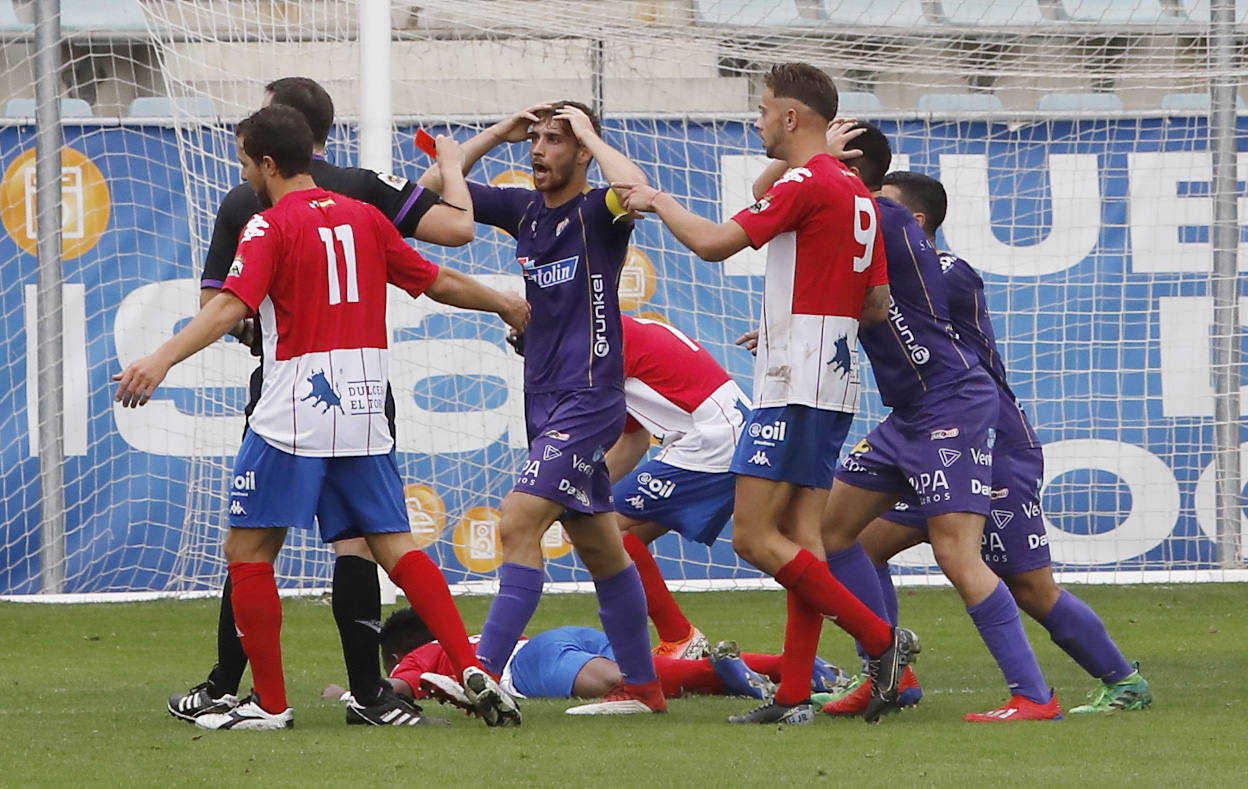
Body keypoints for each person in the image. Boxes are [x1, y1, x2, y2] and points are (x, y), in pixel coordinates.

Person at [117, 104, 530, 730]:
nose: (244, 174)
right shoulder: (364, 215)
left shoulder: (267, 226)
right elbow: (436, 279)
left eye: (246, 162)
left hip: (297, 402)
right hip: (365, 400)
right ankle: (471, 662)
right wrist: (503, 303)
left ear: (269, 163)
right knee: (392, 543)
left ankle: (271, 704)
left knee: (249, 548)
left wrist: (160, 358)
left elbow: (230, 306)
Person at [616, 63, 918, 726]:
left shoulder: (809, 183)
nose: (755, 120)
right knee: (801, 536)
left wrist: (656, 199)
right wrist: (804, 312)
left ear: (790, 117)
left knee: (755, 537)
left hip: (794, 380)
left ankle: (880, 641)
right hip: (833, 377)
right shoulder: (857, 194)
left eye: (762, 109)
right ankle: (792, 696)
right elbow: (875, 303)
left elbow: (711, 244)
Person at [821, 170, 1152, 717]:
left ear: (913, 222)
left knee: (1030, 587)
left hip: (988, 440)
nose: (866, 216)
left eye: (880, 207)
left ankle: (1112, 682)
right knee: (849, 537)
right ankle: (888, 674)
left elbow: (873, 303)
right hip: (919, 429)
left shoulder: (945, 271)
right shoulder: (886, 272)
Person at [797, 123, 1061, 722]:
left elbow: (868, 293)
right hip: (910, 413)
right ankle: (891, 670)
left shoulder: (884, 221)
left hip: (952, 402)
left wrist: (820, 164)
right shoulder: (865, 225)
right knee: (835, 535)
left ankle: (1035, 696)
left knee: (956, 555)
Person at [418, 101, 663, 715]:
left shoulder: (598, 214)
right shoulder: (523, 208)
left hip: (590, 398)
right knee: (603, 549)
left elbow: (635, 189)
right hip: (543, 401)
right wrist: (498, 132)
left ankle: (483, 672)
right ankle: (644, 689)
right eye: (537, 140)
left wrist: (586, 130)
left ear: (581, 151)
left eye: (555, 141)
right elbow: (426, 195)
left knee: (517, 522)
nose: (538, 151)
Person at [320, 608, 850, 706]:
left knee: (622, 682)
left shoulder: (419, 658)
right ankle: (793, 665)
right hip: (555, 637)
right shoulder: (460, 639)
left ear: (395, 654)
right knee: (656, 673)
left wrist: (348, 691)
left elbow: (395, 694)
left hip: (528, 667)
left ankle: (728, 675)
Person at [606, 315, 749, 659]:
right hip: (729, 433)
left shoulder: (602, 345)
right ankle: (677, 639)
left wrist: (561, 490)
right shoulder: (619, 332)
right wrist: (577, 490)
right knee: (615, 534)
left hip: (713, 440)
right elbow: (633, 442)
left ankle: (678, 637)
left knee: (605, 529)